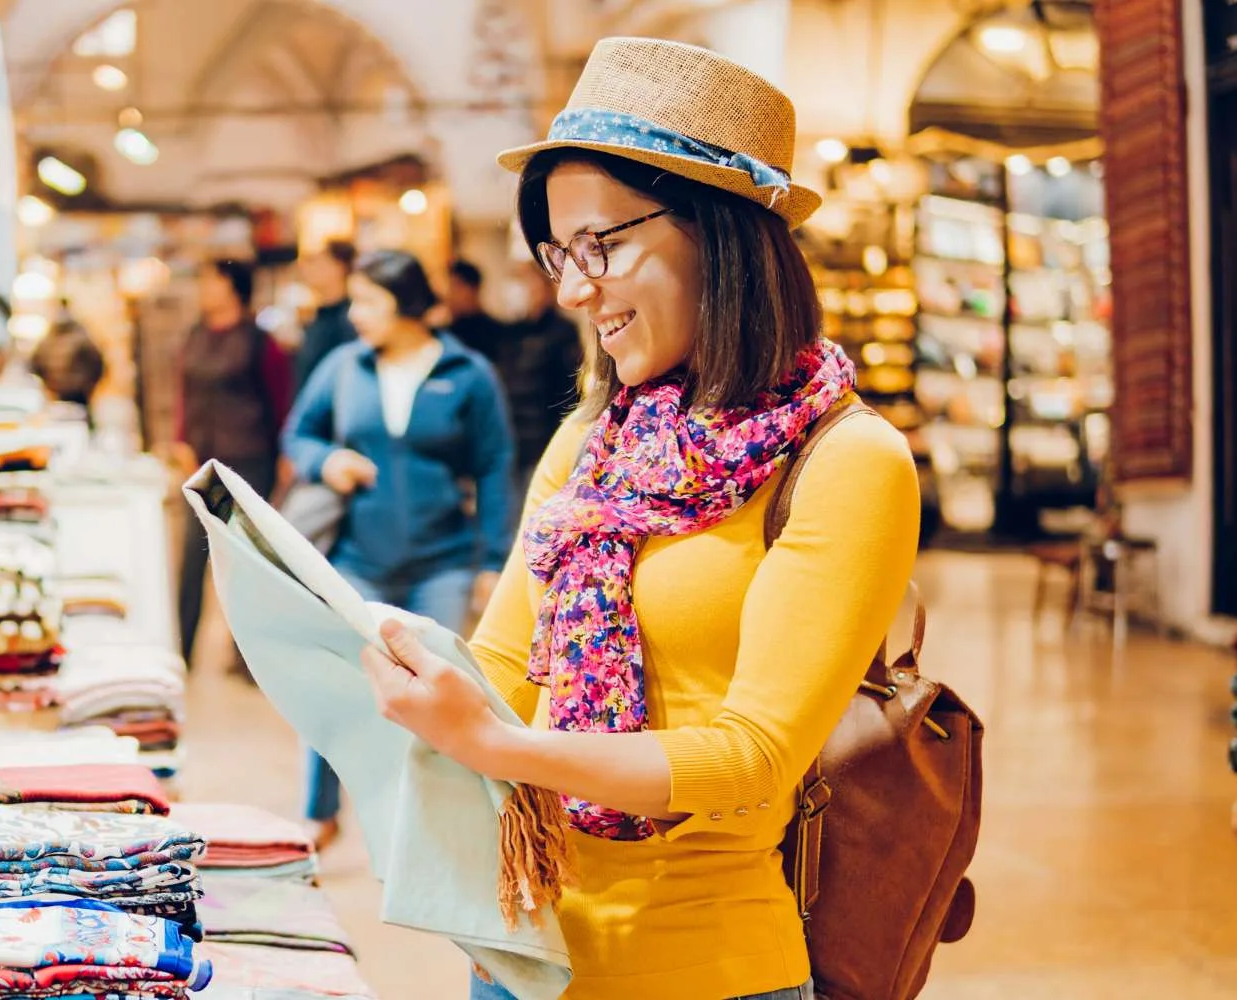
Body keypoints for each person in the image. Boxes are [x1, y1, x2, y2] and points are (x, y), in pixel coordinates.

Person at [349, 39, 920, 1000]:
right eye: (558, 253)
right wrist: (380, 650)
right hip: (523, 954)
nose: (575, 291)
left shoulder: (848, 461)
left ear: (720, 233)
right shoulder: (595, 440)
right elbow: (501, 664)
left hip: (706, 969)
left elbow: (751, 756)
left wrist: (502, 748)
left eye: (600, 246)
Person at [283, 249, 516, 849]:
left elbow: (494, 469)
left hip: (442, 561)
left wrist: (493, 560)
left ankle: (432, 827)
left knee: (436, 694)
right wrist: (326, 460)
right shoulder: (343, 366)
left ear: (405, 304)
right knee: (336, 681)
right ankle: (320, 811)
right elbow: (299, 433)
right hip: (358, 558)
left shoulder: (467, 372)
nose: (355, 314)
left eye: (368, 301)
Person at [174, 258, 292, 669]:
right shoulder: (196, 334)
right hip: (202, 462)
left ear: (233, 288)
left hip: (248, 460)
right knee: (192, 556)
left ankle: (249, 660)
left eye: (212, 280)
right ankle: (181, 650)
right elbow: (183, 393)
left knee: (245, 562)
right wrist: (180, 440)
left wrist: (285, 456)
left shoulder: (261, 342)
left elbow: (280, 399)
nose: (204, 288)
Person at [496, 261, 588, 497]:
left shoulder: (562, 331)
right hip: (513, 441)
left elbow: (570, 389)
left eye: (532, 285)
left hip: (545, 439)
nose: (526, 291)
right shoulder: (512, 331)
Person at [294, 240, 360, 389]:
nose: (307, 269)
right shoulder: (319, 316)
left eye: (319, 262)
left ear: (340, 267)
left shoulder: (350, 317)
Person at [30, 317, 106, 409]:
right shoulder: (83, 338)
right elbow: (98, 364)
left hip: (58, 392)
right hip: (80, 394)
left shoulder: (48, 340)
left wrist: (48, 384)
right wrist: (89, 386)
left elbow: (34, 363)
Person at [443, 259, 505, 359]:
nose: (449, 295)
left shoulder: (498, 335)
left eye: (455, 286)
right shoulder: (446, 334)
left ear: (473, 289)